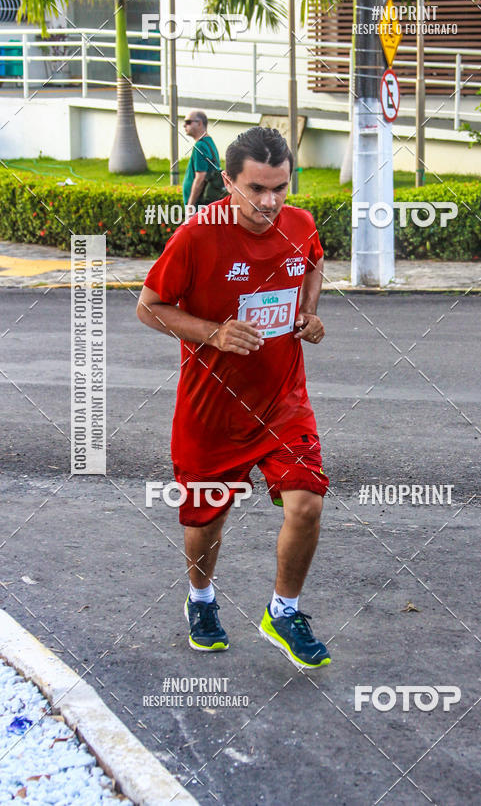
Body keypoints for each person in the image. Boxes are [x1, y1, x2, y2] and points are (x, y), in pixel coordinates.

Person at [136, 126, 331, 670]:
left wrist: (309, 314)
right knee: (205, 521)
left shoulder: (299, 224)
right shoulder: (197, 236)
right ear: (228, 182)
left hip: (282, 399)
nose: (270, 203)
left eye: (281, 188)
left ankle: (284, 611)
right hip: (212, 408)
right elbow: (149, 306)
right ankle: (200, 598)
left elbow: (313, 262)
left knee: (307, 502)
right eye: (256, 189)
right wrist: (214, 333)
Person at [182, 110, 226, 207]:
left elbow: (200, 178)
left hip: (199, 205)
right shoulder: (209, 142)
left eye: (188, 122)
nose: (184, 125)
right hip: (207, 203)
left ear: (199, 123)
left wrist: (190, 205)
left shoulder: (200, 145)